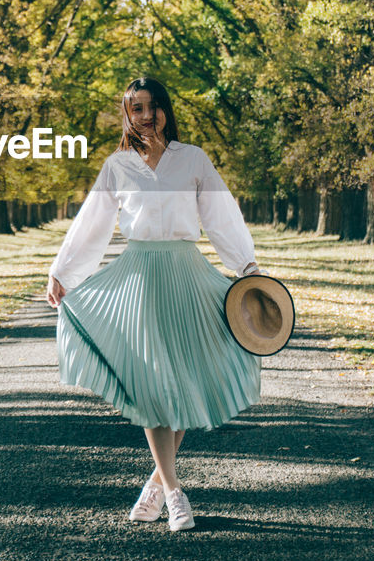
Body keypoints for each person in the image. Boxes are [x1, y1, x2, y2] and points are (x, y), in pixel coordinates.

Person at [45, 77, 265, 532]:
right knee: (153, 386)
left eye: (153, 107)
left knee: (186, 375)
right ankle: (174, 493)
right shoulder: (118, 166)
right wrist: (63, 272)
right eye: (136, 109)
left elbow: (222, 215)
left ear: (165, 109)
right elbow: (93, 223)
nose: (146, 116)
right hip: (141, 277)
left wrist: (247, 266)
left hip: (187, 273)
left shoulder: (194, 159)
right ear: (127, 115)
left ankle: (155, 485)